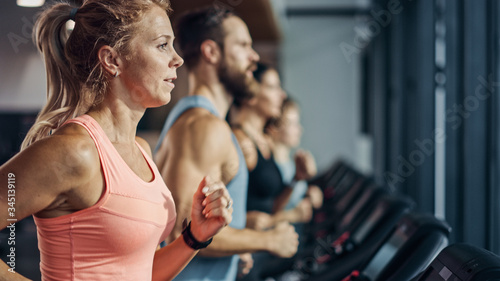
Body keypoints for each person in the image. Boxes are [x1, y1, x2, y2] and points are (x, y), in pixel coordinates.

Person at [0, 1, 232, 280]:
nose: (177, 59)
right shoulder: (75, 151)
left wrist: (194, 237)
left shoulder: (140, 150)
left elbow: (139, 271)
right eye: (162, 45)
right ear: (112, 60)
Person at [154, 6, 299, 281]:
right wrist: (266, 240)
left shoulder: (198, 119)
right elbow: (185, 231)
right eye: (244, 45)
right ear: (211, 52)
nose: (254, 56)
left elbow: (203, 229)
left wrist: (237, 243)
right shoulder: (204, 127)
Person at [230, 63, 318, 281]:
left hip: (262, 247)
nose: (282, 94)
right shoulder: (241, 143)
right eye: (272, 87)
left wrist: (297, 178)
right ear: (251, 94)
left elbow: (272, 205)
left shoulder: (263, 142)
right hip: (245, 254)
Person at [265, 97, 323, 212]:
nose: (300, 129)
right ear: (274, 127)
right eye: (293, 124)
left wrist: (309, 194)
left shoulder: (290, 162)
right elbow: (274, 208)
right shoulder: (270, 167)